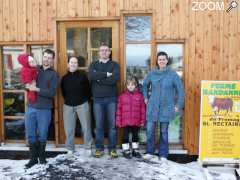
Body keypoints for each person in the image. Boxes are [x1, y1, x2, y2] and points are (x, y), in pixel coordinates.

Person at [142, 51, 185, 160]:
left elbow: (181, 90)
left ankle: (163, 154)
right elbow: (145, 85)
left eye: (163, 59)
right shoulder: (152, 73)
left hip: (166, 107)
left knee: (164, 132)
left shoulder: (173, 74)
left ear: (167, 61)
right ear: (157, 61)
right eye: (160, 59)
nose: (161, 61)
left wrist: (178, 105)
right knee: (150, 130)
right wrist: (146, 97)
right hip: (153, 106)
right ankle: (150, 151)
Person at [24, 49, 59, 168]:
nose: (47, 59)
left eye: (49, 58)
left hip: (45, 109)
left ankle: (42, 157)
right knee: (31, 134)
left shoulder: (54, 74)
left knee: (43, 134)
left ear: (52, 60)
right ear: (42, 57)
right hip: (31, 107)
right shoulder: (35, 69)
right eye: (45, 57)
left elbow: (52, 93)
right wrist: (27, 86)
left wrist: (37, 89)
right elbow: (25, 81)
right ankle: (33, 159)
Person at [89, 43, 120, 158]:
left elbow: (114, 79)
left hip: (111, 98)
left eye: (106, 50)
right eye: (102, 50)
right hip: (97, 99)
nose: (104, 52)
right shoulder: (93, 64)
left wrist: (99, 78)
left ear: (109, 52)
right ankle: (99, 148)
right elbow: (91, 76)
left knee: (112, 126)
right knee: (99, 126)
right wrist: (106, 74)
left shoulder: (114, 65)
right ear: (98, 52)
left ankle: (112, 149)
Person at [61, 56, 93, 154]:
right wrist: (69, 100)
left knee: (86, 127)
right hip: (68, 106)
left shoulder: (83, 76)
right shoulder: (64, 78)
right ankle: (70, 148)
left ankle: (88, 147)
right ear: (68, 64)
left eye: (75, 63)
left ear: (77, 65)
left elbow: (88, 90)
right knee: (69, 129)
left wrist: (85, 100)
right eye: (71, 62)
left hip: (82, 105)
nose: (73, 64)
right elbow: (63, 92)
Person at [116, 75, 146, 159]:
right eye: (128, 85)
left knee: (135, 136)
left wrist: (142, 120)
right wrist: (118, 121)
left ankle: (135, 150)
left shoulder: (139, 96)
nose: (130, 87)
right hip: (125, 121)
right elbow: (119, 109)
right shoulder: (122, 96)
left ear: (135, 85)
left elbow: (143, 109)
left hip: (136, 121)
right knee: (125, 136)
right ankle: (126, 150)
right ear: (126, 86)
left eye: (132, 85)